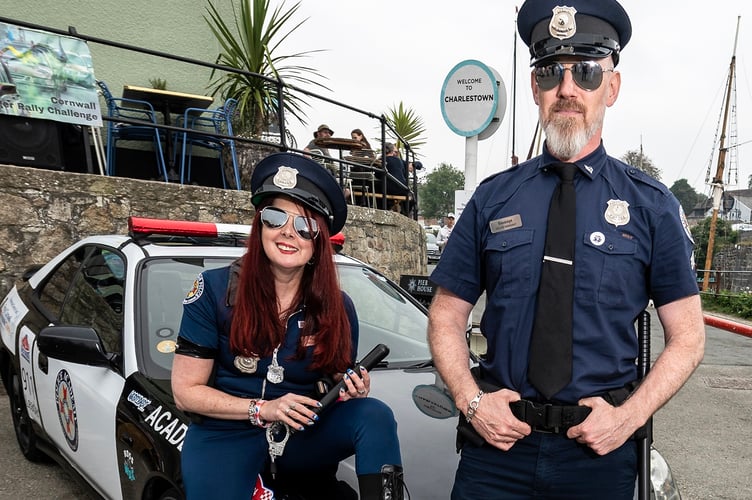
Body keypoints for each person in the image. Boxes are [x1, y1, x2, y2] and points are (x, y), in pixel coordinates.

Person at [427, 1, 705, 498]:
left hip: (598, 455)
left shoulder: (650, 206)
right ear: (536, 87)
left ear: (611, 88)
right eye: (552, 72)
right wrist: (472, 402)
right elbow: (446, 316)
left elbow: (688, 337)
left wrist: (628, 418)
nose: (568, 89)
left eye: (587, 73)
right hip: (497, 451)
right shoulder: (493, 199)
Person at [172, 151, 405, 500]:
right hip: (226, 433)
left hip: (299, 435)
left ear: (318, 241)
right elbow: (185, 392)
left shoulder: (338, 307)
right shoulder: (213, 291)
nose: (288, 233)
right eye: (275, 217)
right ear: (260, 225)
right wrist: (262, 408)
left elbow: (335, 382)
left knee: (374, 415)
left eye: (305, 225)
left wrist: (351, 388)